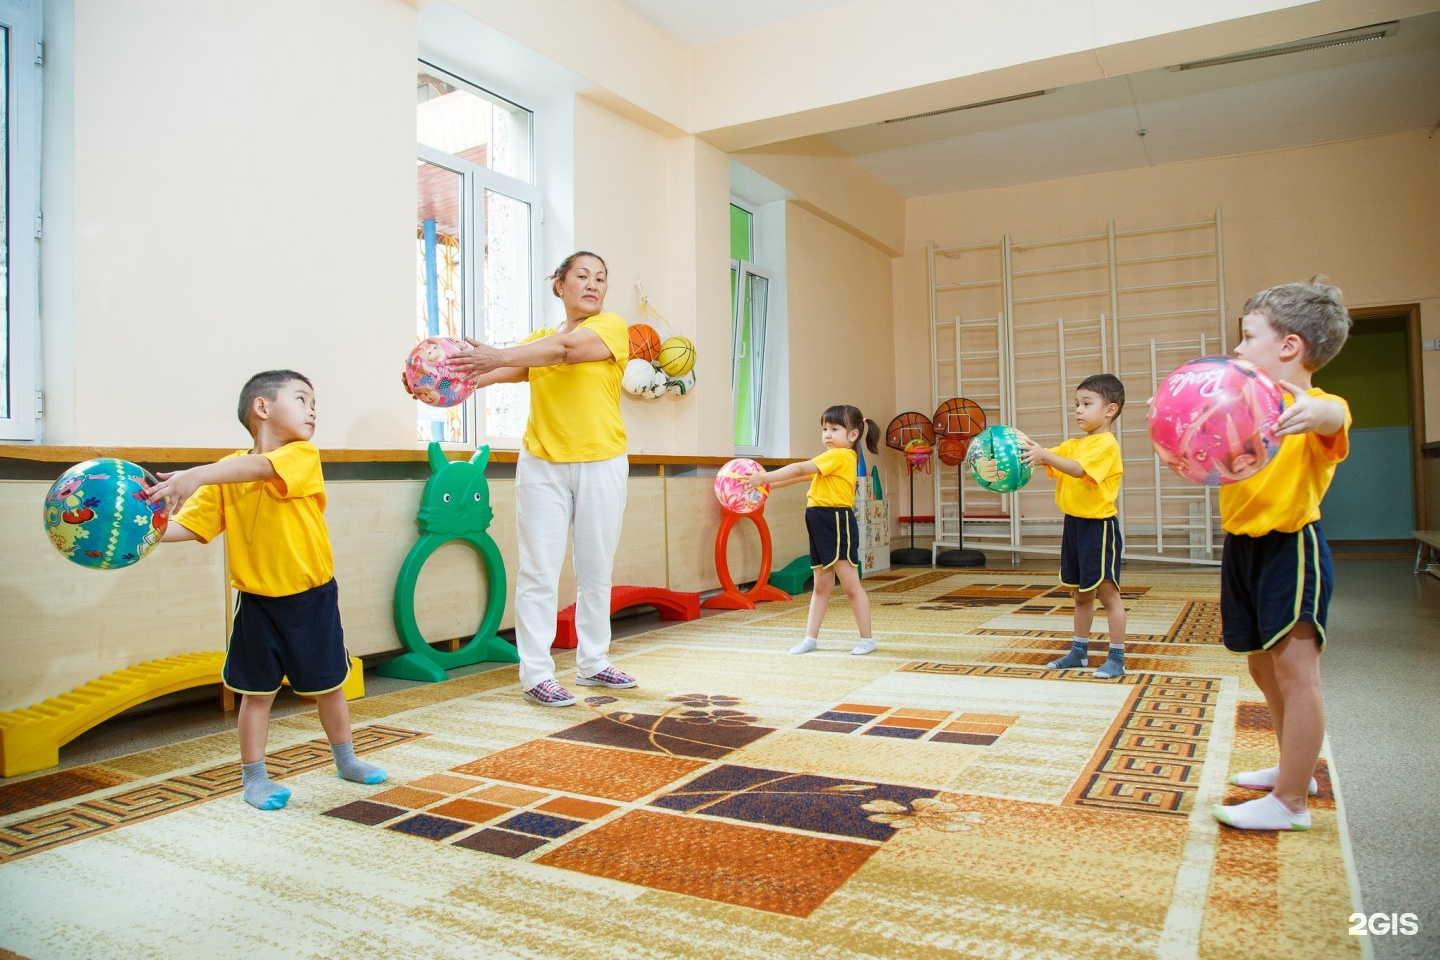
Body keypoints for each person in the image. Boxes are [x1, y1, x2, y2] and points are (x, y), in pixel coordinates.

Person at [145, 370, 387, 811]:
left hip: (311, 598)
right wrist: (142, 536)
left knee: (329, 685)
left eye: (315, 403)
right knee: (255, 694)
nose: (313, 410)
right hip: (257, 604)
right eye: (302, 399)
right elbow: (190, 525)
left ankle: (346, 759)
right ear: (262, 407)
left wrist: (196, 475)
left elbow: (258, 467)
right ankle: (254, 779)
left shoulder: (301, 456)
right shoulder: (224, 472)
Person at [445, 251, 634, 707]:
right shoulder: (539, 341)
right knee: (538, 571)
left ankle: (593, 662)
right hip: (542, 464)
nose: (593, 284)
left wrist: (499, 354)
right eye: (582, 276)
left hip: (601, 461)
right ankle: (536, 674)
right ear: (560, 284)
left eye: (601, 278)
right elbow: (496, 371)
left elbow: (565, 351)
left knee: (595, 569)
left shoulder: (610, 328)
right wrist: (442, 376)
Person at [1209, 278, 1351, 832]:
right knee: (1260, 664)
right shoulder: (1247, 405)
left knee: (1296, 674)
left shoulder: (1321, 404)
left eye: (1248, 337)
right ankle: (1297, 767)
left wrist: (1314, 413)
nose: (1239, 349)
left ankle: (1291, 802)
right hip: (1242, 547)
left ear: (1288, 346)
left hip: (1290, 548)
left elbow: (1333, 419)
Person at [742, 405, 881, 656]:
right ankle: (810, 638)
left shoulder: (840, 456)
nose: (827, 434)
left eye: (834, 429)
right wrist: (768, 487)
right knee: (820, 586)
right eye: (824, 429)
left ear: (853, 435)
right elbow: (799, 478)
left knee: (850, 585)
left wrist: (763, 478)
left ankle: (867, 639)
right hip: (819, 521)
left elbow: (798, 469)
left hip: (835, 521)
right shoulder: (831, 458)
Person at [1019, 374, 1128, 680]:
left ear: (1110, 410)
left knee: (1108, 596)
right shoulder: (1076, 443)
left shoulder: (1106, 445)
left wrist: (1045, 455)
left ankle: (1117, 657)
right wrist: (1023, 448)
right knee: (1081, 594)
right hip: (1075, 527)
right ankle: (1079, 653)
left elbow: (1078, 470)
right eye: (1076, 404)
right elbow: (1049, 457)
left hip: (1099, 529)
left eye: (1086, 404)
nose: (1078, 410)